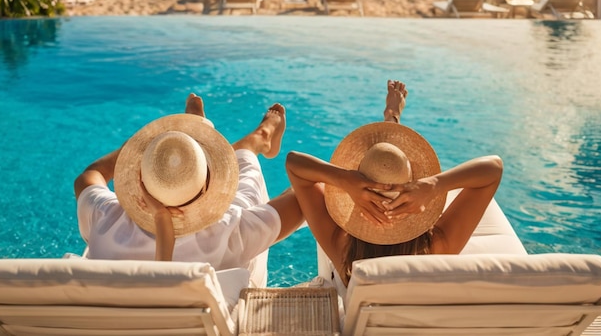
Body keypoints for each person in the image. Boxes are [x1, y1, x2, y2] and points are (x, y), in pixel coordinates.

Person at [285, 80, 503, 291]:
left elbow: (295, 164)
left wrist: (344, 179)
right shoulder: (438, 248)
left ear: (358, 195)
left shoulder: (344, 254)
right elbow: (493, 169)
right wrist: (434, 184)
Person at [74, 93, 303, 286]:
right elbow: (303, 198)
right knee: (245, 171)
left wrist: (132, 149)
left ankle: (196, 143)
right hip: (230, 244)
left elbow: (87, 177)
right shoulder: (229, 231)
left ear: (141, 179)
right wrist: (137, 148)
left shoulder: (106, 218)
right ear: (208, 187)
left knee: (240, 168)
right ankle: (261, 136)